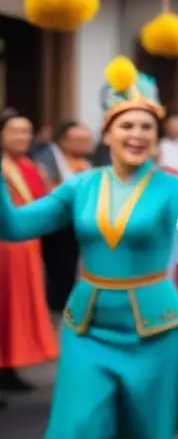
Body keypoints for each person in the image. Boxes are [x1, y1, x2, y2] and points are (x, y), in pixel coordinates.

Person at [0, 57, 178, 439]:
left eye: (147, 127)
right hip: (89, 326)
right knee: (83, 431)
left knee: (152, 435)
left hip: (154, 326)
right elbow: (14, 226)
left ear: (157, 137)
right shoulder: (81, 184)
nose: (137, 134)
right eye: (126, 125)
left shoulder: (173, 186)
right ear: (108, 132)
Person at [0, 109, 59, 393]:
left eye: (26, 131)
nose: (22, 137)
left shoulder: (30, 166)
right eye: (14, 131)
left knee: (16, 312)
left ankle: (9, 367)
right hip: (5, 251)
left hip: (27, 250)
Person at [35, 120, 94, 310]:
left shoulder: (87, 163)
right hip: (56, 229)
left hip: (80, 226)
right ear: (64, 141)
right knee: (59, 275)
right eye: (80, 140)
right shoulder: (45, 159)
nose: (86, 145)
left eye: (88, 140)